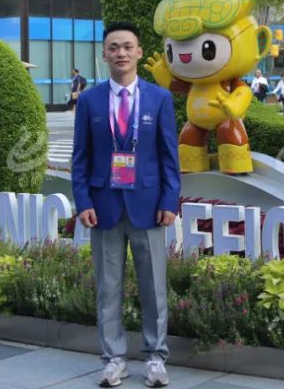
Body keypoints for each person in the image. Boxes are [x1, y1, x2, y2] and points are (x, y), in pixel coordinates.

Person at [71, 20, 181, 388]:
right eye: (114, 47)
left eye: (127, 46)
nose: (121, 53)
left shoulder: (159, 99)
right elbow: (80, 157)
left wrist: (170, 200)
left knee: (154, 287)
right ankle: (113, 360)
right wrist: (83, 201)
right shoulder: (89, 101)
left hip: (148, 206)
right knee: (108, 288)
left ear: (138, 52)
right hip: (103, 207)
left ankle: (155, 358)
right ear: (104, 54)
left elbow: (169, 157)